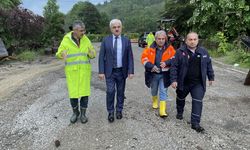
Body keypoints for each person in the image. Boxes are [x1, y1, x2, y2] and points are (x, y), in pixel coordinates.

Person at [170, 32, 214, 133]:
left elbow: (208, 65)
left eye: (195, 39)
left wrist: (211, 77)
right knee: (180, 98)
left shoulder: (204, 52)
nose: (192, 41)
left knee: (198, 101)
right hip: (183, 82)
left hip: (198, 83)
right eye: (190, 39)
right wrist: (174, 80)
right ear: (186, 41)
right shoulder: (179, 52)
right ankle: (180, 112)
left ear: (198, 40)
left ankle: (195, 124)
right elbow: (174, 67)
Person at [56, 20, 96, 124]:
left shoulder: (86, 39)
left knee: (84, 94)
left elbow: (93, 53)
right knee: (73, 95)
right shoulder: (66, 40)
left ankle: (83, 114)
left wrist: (92, 53)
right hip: (72, 73)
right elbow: (58, 53)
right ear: (75, 30)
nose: (84, 32)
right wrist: (62, 54)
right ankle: (75, 113)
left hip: (84, 73)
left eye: (84, 30)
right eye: (81, 30)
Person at [98, 19, 134, 123]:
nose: (117, 29)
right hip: (110, 71)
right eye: (114, 27)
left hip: (121, 72)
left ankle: (119, 110)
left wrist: (131, 71)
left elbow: (130, 57)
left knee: (121, 92)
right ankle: (110, 111)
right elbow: (101, 57)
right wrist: (101, 71)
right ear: (111, 29)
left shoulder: (126, 40)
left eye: (118, 27)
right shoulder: (106, 40)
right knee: (110, 91)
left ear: (121, 28)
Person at [141, 30, 176, 117]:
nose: (161, 40)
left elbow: (174, 58)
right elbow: (144, 59)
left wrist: (167, 63)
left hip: (164, 74)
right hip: (153, 74)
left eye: (163, 39)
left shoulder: (170, 48)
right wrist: (151, 66)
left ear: (165, 39)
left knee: (163, 91)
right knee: (154, 90)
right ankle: (155, 101)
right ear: (155, 39)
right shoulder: (149, 48)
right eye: (159, 39)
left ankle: (162, 111)